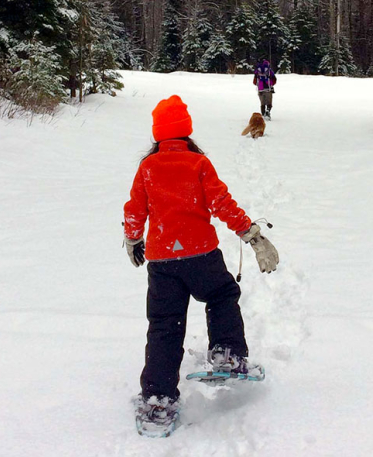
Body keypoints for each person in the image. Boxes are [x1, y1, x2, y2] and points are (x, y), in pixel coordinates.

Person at [123, 95, 280, 433]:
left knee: (164, 325)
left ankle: (158, 399)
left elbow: (135, 209)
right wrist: (251, 233)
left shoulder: (147, 168)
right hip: (201, 255)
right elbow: (222, 203)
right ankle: (227, 353)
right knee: (222, 295)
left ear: (158, 135)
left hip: (163, 260)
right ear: (186, 133)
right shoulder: (198, 163)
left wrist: (134, 239)